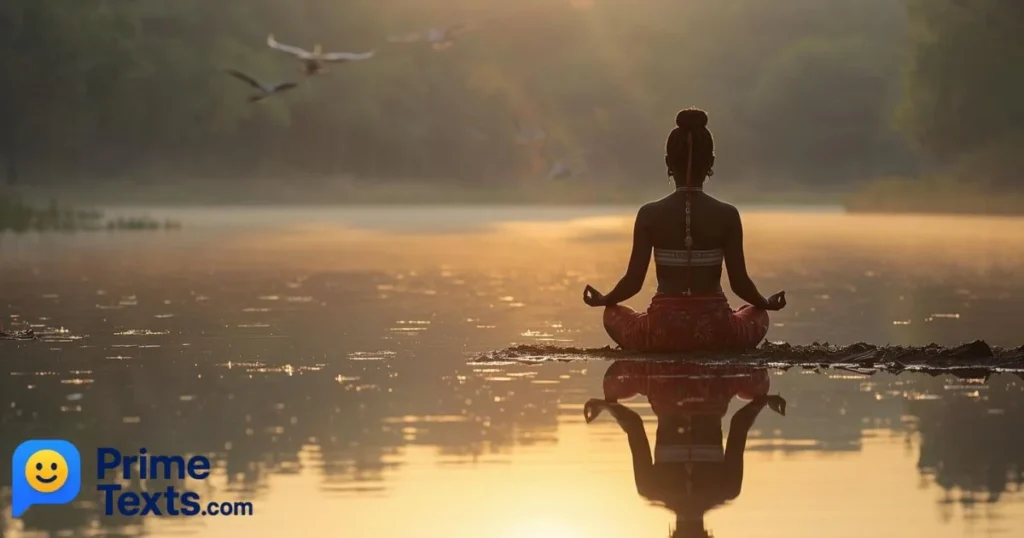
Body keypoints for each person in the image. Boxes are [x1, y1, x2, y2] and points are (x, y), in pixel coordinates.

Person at [582, 108, 786, 352]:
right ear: (711, 162)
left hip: (660, 334)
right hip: (718, 334)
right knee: (757, 313)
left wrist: (605, 300)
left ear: (668, 162)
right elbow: (740, 284)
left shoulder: (649, 214)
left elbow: (633, 283)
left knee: (613, 312)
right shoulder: (727, 215)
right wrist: (766, 303)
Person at [584, 360, 786, 538]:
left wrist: (763, 402)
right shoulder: (650, 488)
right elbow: (634, 426)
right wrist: (607, 406)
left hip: (713, 388)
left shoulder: (728, 489)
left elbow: (740, 424)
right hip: (666, 389)